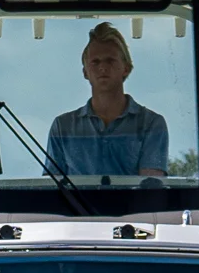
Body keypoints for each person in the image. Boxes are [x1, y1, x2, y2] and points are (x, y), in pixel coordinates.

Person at [48, 22, 169, 183]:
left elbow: (150, 187)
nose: (103, 67)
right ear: (85, 72)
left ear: (126, 68)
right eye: (95, 62)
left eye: (110, 60)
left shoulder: (151, 124)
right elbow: (53, 187)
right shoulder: (62, 127)